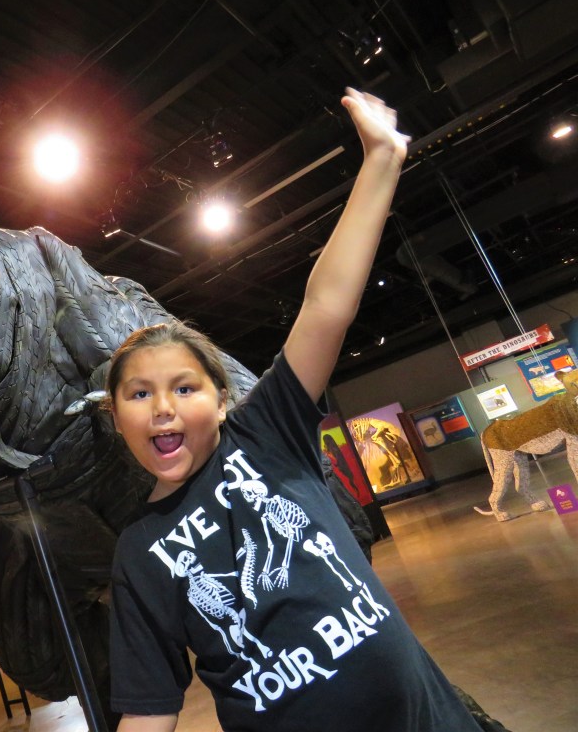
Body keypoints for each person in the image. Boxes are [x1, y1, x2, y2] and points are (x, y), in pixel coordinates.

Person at [106, 89, 486, 731]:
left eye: (185, 388)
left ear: (222, 400)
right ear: (116, 418)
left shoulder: (266, 433)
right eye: (139, 395)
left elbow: (326, 306)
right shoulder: (138, 555)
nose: (163, 408)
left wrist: (382, 160)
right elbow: (148, 712)